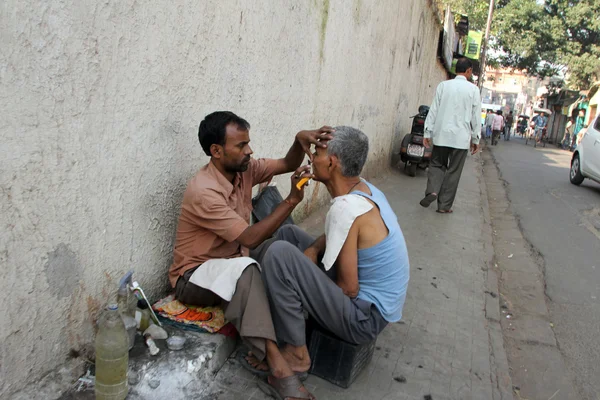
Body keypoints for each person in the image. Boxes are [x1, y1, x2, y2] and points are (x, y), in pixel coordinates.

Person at [169, 111, 334, 400]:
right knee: (247, 270)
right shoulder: (204, 190)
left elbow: (287, 163)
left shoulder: (243, 168)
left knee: (282, 246)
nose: (250, 151)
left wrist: (299, 139)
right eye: (241, 145)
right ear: (216, 151)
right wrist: (291, 201)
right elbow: (250, 237)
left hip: (233, 257)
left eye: (248, 143)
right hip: (195, 275)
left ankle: (304, 330)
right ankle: (278, 365)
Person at [255, 126, 409, 397]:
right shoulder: (364, 190)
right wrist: (313, 252)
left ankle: (296, 355)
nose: (312, 157)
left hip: (363, 318)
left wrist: (306, 288)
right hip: (374, 308)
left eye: (317, 152)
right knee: (289, 235)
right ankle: (293, 322)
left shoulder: (344, 208)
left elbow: (349, 289)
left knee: (280, 254)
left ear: (332, 163)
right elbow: (343, 231)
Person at [420, 57, 481, 214]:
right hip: (461, 138)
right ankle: (444, 206)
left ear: (455, 70)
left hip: (441, 135)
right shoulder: (473, 90)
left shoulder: (443, 86)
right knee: (453, 171)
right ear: (468, 71)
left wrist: (427, 132)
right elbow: (475, 116)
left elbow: (433, 110)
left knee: (436, 165)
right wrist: (476, 138)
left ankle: (432, 190)